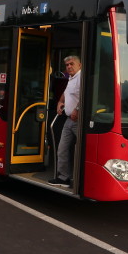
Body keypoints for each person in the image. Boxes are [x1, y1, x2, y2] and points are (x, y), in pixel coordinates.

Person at [48, 55, 82, 188]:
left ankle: (82, 179)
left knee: (82, 150)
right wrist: (60, 102)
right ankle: (63, 178)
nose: (69, 67)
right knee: (62, 148)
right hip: (69, 120)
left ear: (80, 65)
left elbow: (86, 95)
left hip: (79, 121)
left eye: (71, 64)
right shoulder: (71, 78)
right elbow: (66, 93)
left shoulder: (81, 78)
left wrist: (77, 109)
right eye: (67, 65)